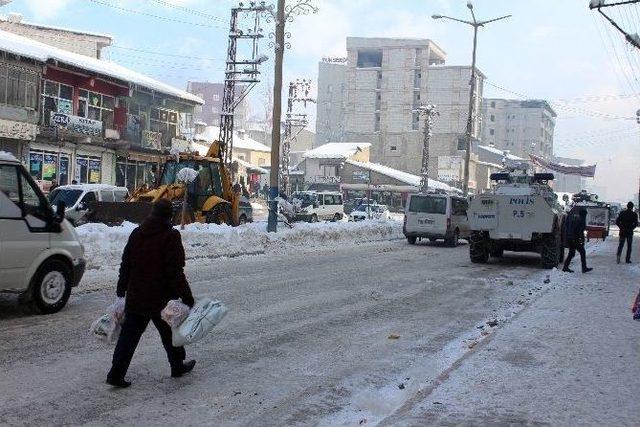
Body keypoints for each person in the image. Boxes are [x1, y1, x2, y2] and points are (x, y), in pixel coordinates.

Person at [107, 199, 196, 388]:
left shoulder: (137, 233)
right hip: (160, 299)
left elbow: (126, 264)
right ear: (168, 216)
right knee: (170, 333)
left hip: (137, 296)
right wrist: (187, 296)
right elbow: (175, 271)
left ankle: (116, 373)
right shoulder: (170, 236)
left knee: (128, 337)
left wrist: (121, 288)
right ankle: (177, 366)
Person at [563, 207, 593, 274]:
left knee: (571, 253)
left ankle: (565, 267)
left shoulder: (575, 218)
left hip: (570, 238)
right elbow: (580, 231)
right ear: (584, 214)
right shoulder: (581, 220)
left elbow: (568, 226)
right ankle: (584, 268)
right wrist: (581, 240)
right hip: (575, 239)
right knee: (582, 252)